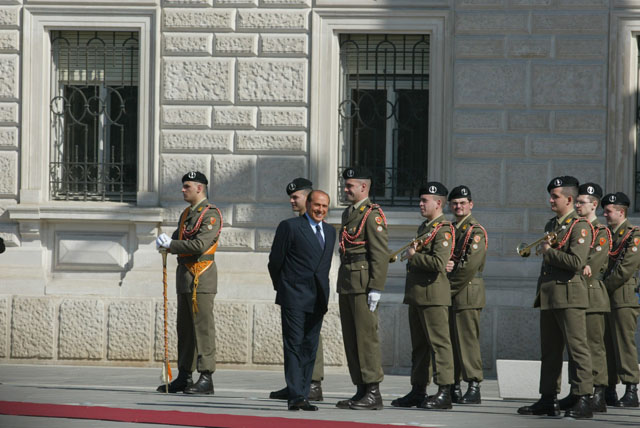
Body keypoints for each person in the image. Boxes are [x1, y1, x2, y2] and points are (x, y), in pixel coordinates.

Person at [517, 176, 594, 419]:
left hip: (570, 295)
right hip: (550, 294)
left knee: (577, 349)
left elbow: (576, 262)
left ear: (569, 199)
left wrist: (549, 253)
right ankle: (548, 397)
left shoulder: (580, 226)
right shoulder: (552, 224)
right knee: (550, 351)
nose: (551, 200)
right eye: (550, 196)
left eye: (555, 197)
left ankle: (583, 397)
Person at [268, 190, 336, 411]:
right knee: (294, 346)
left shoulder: (330, 231)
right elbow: (275, 261)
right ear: (308, 204)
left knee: (310, 347)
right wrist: (284, 287)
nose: (320, 210)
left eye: (324, 206)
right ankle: (296, 395)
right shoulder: (290, 227)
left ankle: (304, 393)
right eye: (317, 205)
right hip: (294, 295)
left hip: (318, 298)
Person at [155, 171, 222, 395]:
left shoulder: (210, 215)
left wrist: (171, 245)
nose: (182, 190)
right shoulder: (186, 214)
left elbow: (199, 245)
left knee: (202, 328)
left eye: (187, 186)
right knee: (184, 329)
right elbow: (177, 239)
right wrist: (164, 243)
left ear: (199, 188)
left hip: (202, 276)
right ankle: (185, 375)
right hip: (185, 277)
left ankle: (206, 376)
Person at [396, 183, 455, 410]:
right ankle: (418, 389)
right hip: (418, 295)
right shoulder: (425, 227)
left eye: (424, 201)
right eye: (420, 200)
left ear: (438, 203)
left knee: (439, 345)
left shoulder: (444, 229)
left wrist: (414, 256)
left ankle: (444, 391)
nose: (420, 204)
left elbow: (439, 263)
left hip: (433, 295)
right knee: (419, 347)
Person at [335, 167, 388, 410]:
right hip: (347, 282)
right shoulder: (349, 213)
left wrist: (376, 287)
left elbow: (379, 254)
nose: (345, 189)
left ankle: (374, 391)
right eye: (345, 185)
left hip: (363, 283)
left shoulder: (372, 215)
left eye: (350, 186)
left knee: (366, 339)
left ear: (363, 187)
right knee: (352, 339)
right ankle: (361, 389)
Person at [557, 183, 610, 412]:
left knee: (593, 345)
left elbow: (591, 266)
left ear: (594, 204)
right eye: (576, 202)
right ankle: (577, 390)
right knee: (576, 345)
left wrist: (580, 266)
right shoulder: (574, 228)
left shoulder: (600, 231)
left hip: (592, 294)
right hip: (574, 293)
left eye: (582, 202)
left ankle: (598, 392)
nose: (577, 206)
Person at [445, 185, 487, 405]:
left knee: (467, 341)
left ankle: (474, 385)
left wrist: (447, 290)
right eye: (454, 203)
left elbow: (469, 266)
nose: (458, 207)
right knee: (451, 341)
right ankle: (454, 385)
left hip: (467, 292)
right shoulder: (451, 228)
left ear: (471, 204)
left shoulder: (475, 231)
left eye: (462, 203)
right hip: (452, 291)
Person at [602, 192, 640, 407]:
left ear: (621, 212)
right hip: (606, 297)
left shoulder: (634, 235)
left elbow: (625, 269)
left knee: (624, 343)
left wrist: (602, 288)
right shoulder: (607, 235)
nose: (605, 214)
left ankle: (631, 389)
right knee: (606, 344)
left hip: (623, 297)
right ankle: (609, 388)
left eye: (609, 211)